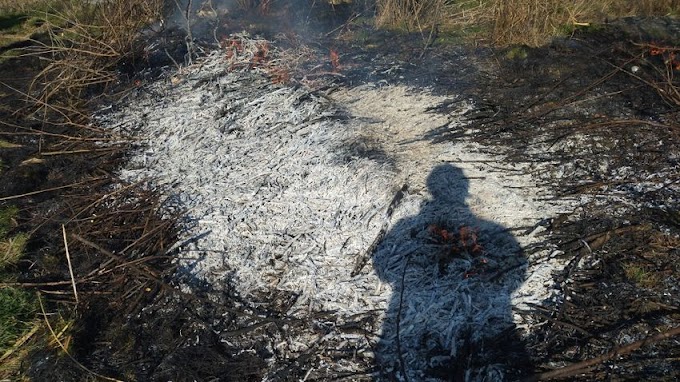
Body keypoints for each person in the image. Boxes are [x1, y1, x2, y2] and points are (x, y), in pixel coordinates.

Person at [372, 164, 530, 381]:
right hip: (427, 316)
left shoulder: (410, 224)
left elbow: (383, 269)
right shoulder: (413, 226)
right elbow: (518, 268)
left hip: (466, 312)